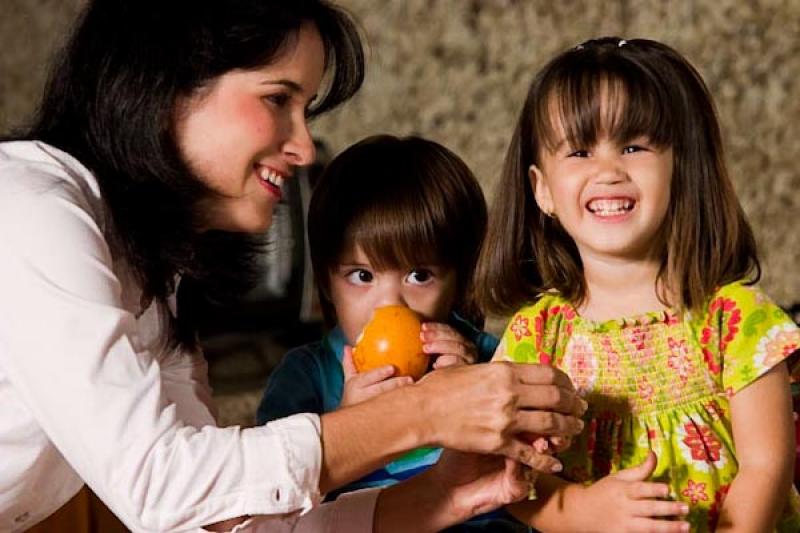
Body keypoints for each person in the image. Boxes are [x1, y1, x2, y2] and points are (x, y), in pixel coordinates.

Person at [0, 0, 588, 531]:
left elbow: (223, 524)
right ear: (166, 83)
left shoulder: (151, 276)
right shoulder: (30, 209)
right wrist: (422, 412)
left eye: (304, 108)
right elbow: (160, 485)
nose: (305, 148)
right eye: (278, 99)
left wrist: (443, 496)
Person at [475, 37, 800, 532]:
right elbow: (514, 476)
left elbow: (768, 466)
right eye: (580, 151)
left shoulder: (734, 318)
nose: (608, 170)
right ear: (542, 190)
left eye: (633, 146)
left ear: (681, 169)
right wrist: (582, 512)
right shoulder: (536, 336)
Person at [256, 134, 529, 531]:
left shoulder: (489, 359)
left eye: (419, 276)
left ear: (460, 281)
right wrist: (348, 426)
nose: (390, 304)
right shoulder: (306, 378)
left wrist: (475, 389)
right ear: (327, 283)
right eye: (361, 276)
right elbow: (277, 508)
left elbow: (531, 476)